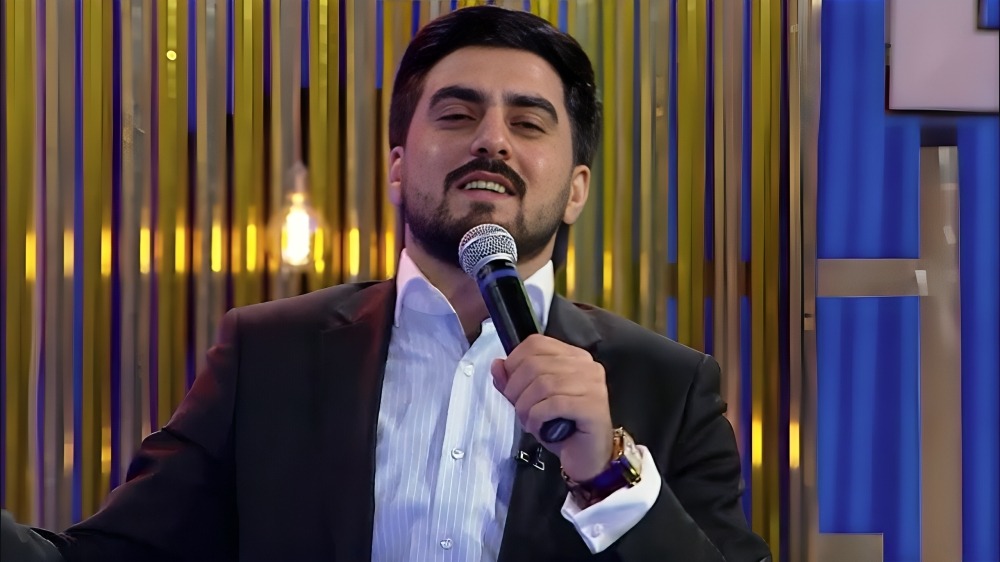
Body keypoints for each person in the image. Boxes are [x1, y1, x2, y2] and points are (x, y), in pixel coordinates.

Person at [1, 6, 771, 562]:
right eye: (457, 114)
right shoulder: (267, 353)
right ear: (398, 168)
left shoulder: (668, 386)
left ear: (576, 190)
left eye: (528, 122)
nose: (491, 140)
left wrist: (607, 475)